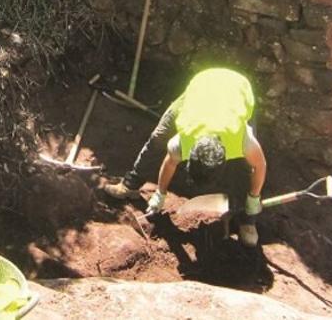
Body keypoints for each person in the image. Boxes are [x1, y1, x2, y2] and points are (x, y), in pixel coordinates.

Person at [103, 67, 267, 246]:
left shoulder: (242, 140)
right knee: (159, 138)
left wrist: (254, 197)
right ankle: (131, 184)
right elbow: (170, 162)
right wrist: (160, 193)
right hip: (202, 86)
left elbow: (260, 166)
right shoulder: (183, 139)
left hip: (238, 91)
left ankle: (247, 219)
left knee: (243, 168)